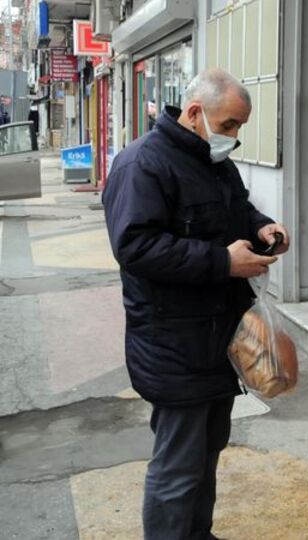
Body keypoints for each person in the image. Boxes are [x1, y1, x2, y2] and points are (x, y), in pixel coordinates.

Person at [102, 68, 290, 540]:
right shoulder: (141, 165)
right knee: (178, 466)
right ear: (193, 112)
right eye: (229, 125)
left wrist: (262, 227)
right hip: (173, 344)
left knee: (207, 453)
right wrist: (221, 263)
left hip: (217, 341)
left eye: (240, 127)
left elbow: (238, 211)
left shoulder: (214, 160)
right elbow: (136, 247)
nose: (234, 137)